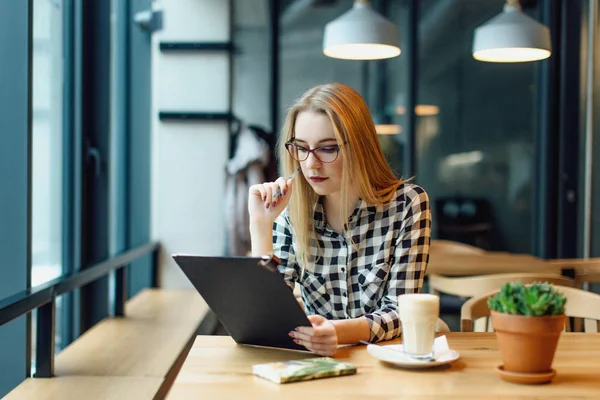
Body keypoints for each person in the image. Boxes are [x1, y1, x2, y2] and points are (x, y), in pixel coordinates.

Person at [248, 83, 432, 356]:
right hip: (317, 365)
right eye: (301, 148)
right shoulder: (291, 211)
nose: (310, 164)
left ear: (359, 147)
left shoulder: (407, 205)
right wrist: (261, 226)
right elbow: (264, 315)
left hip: (388, 364)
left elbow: (400, 310)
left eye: (327, 148)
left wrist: (337, 332)